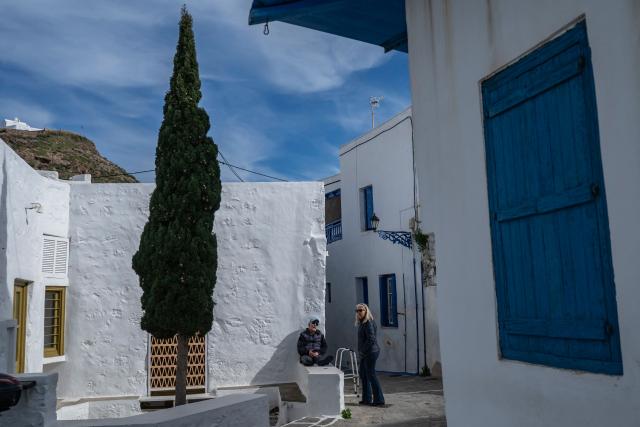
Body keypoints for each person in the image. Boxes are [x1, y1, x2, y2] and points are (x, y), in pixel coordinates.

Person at [356, 303, 385, 406]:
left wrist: (363, 351)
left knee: (371, 374)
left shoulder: (368, 323)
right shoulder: (362, 323)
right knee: (364, 375)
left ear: (366, 311)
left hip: (371, 352)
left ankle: (379, 400)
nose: (359, 312)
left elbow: (371, 339)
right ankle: (367, 399)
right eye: (357, 310)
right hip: (365, 353)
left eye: (361, 310)